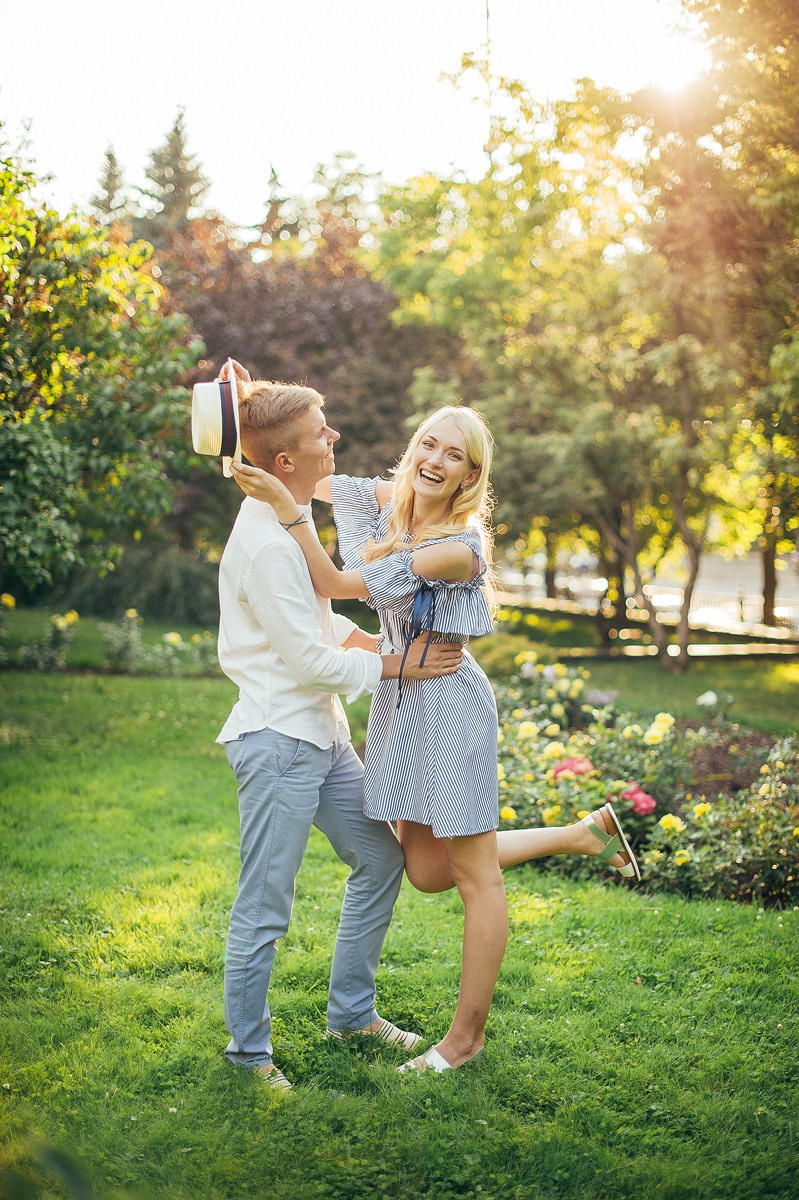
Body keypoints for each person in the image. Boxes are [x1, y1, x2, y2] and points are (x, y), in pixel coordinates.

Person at [232, 404, 641, 1075]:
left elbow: (333, 582)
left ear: (472, 474)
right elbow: (318, 473)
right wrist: (246, 426)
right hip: (400, 699)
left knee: (475, 877)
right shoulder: (396, 503)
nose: (435, 462)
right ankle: (581, 834)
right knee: (424, 870)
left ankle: (463, 1041)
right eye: (427, 444)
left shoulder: (454, 546)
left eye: (454, 456)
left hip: (449, 704)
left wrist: (286, 507)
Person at [215, 364, 464, 1090]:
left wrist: (378, 646)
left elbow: (316, 620)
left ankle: (351, 1013)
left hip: (319, 740)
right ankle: (247, 1057)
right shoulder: (264, 540)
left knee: (381, 860)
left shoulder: (285, 515)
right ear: (285, 462)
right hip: (279, 741)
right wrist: (402, 666)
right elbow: (306, 661)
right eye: (321, 432)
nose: (335, 437)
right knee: (265, 904)